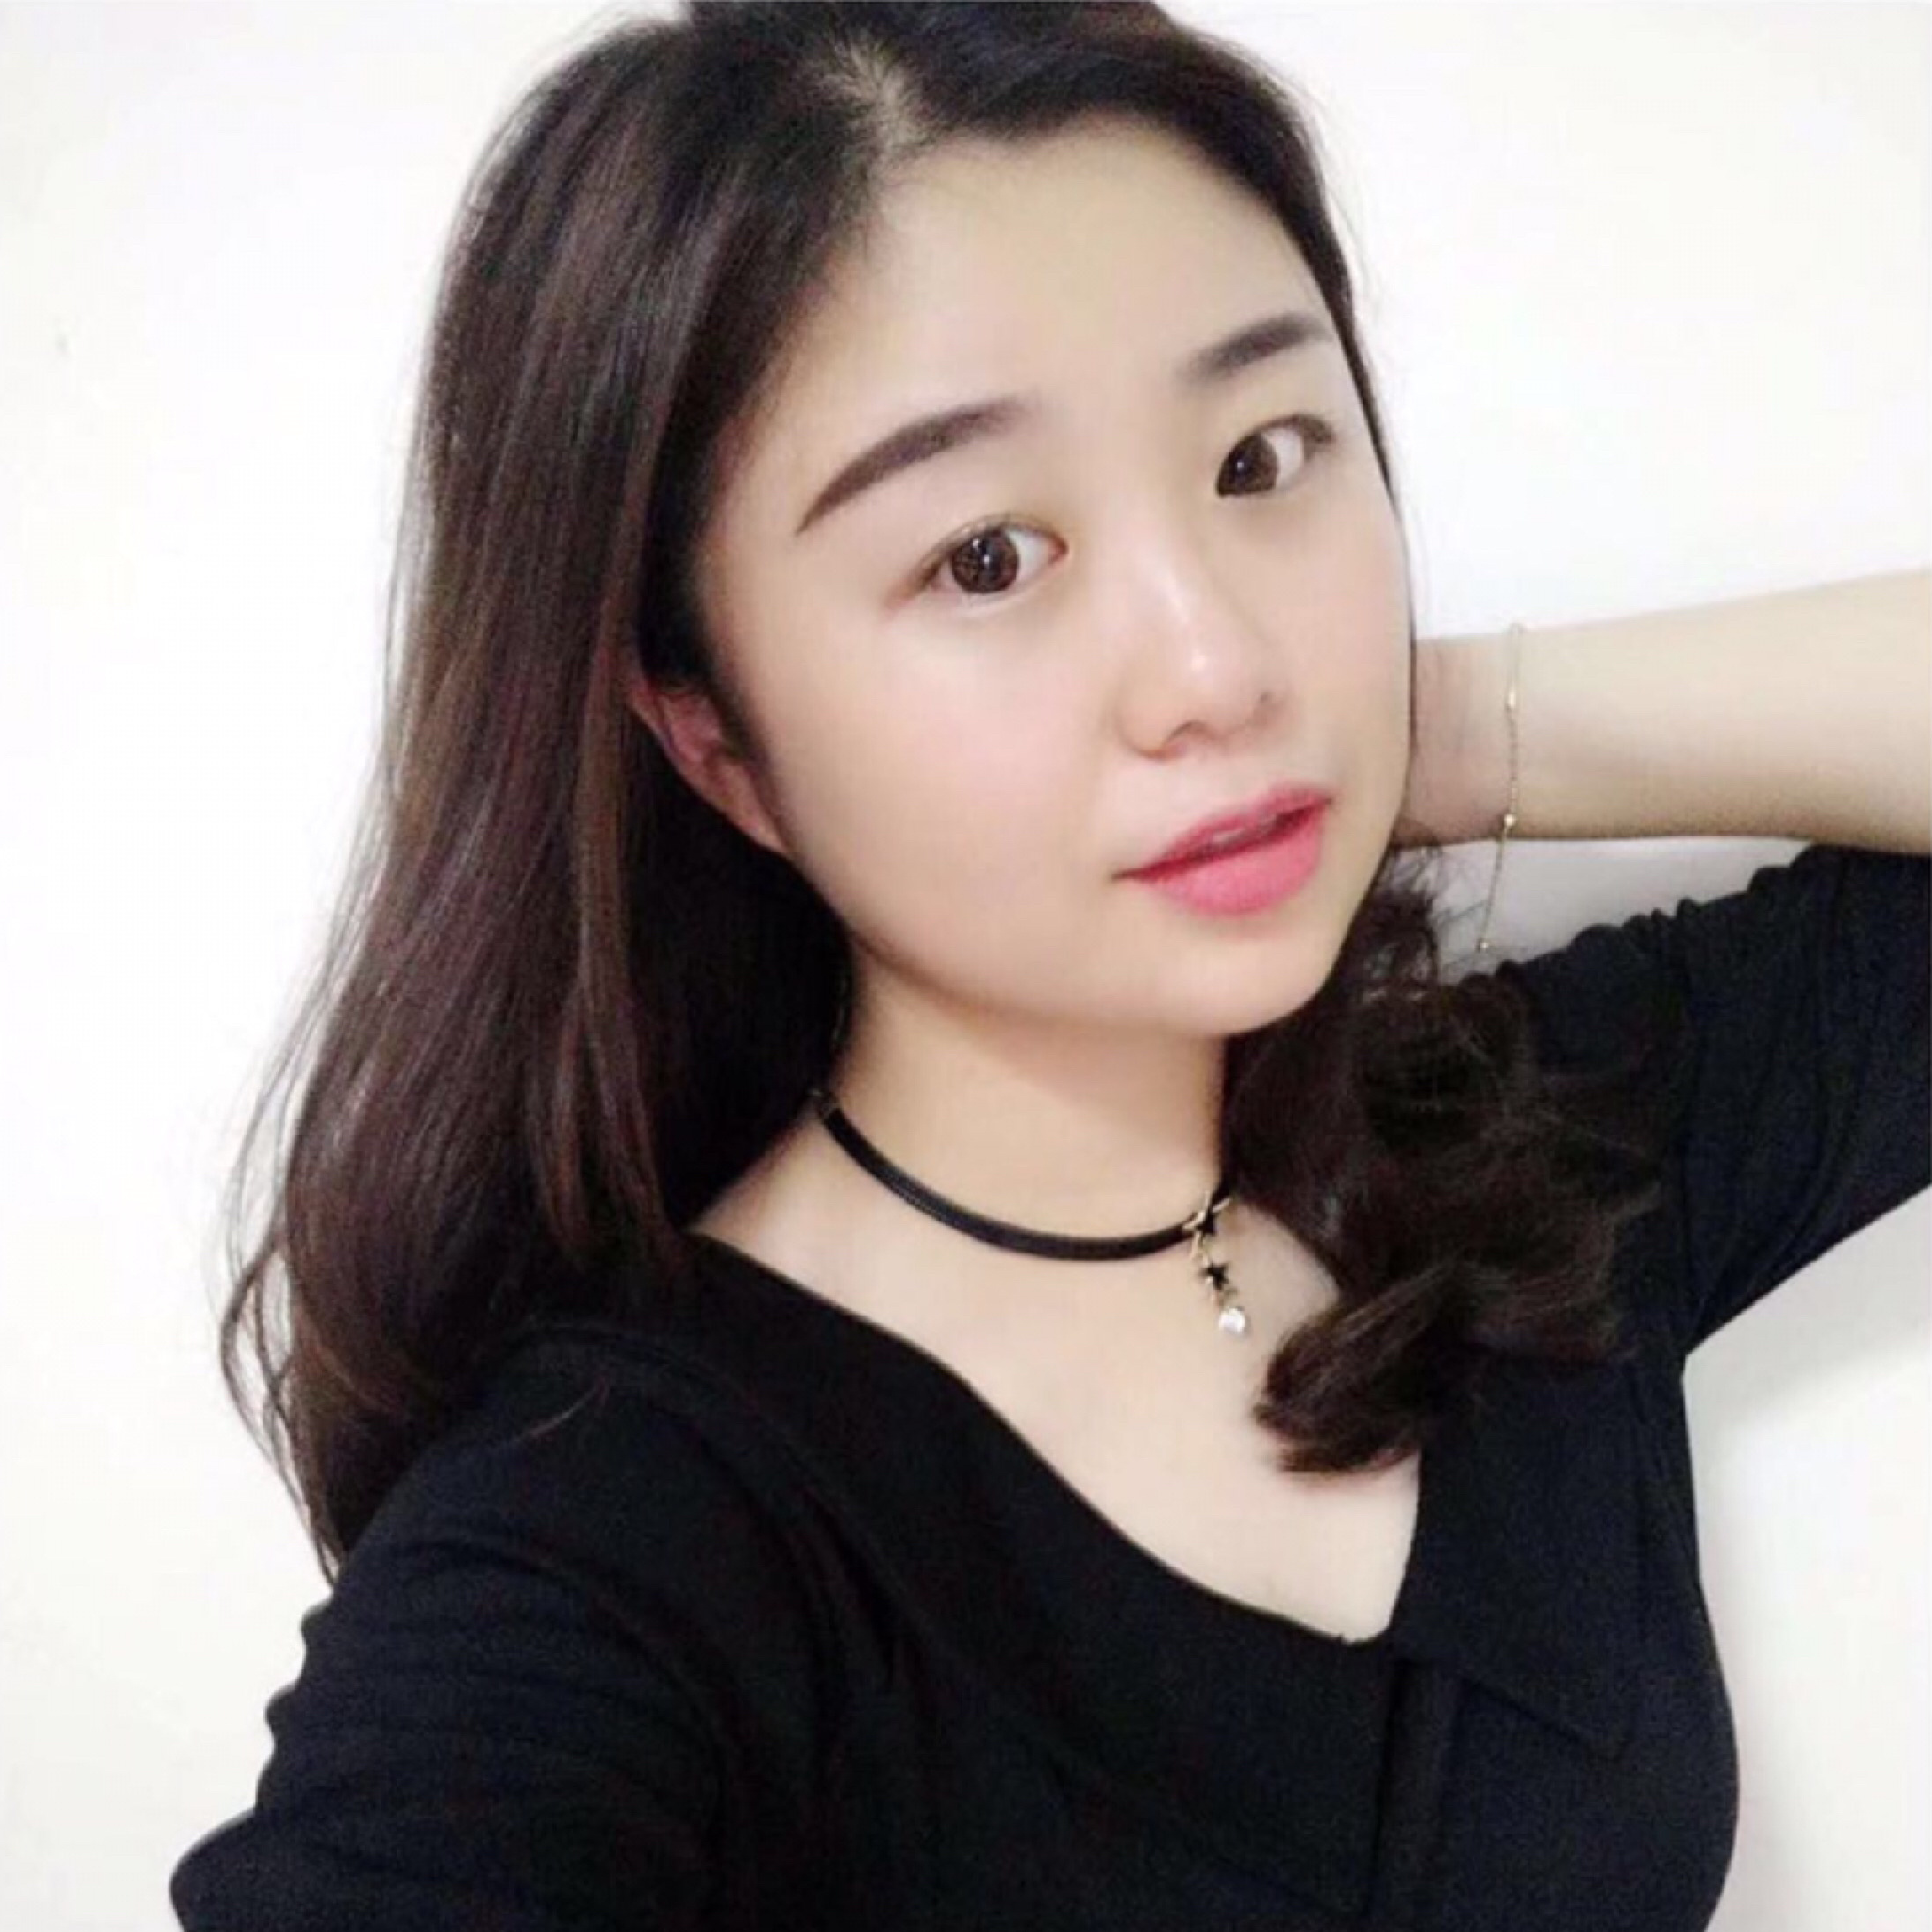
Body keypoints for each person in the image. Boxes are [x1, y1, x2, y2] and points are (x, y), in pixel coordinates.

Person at [169, 5, 1929, 1928]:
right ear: (712, 734)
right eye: (987, 559)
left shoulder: (1532, 1149)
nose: (1214, 661)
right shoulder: (610, 1535)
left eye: (1262, 456)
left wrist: (1424, 731)